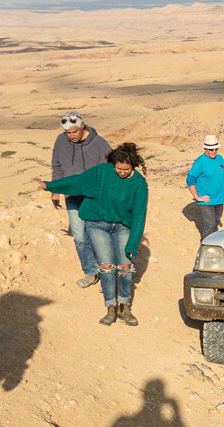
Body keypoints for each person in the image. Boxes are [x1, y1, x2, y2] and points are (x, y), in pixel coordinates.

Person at [34, 142, 148, 326]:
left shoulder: (139, 184)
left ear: (133, 166)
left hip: (122, 226)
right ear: (113, 164)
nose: (122, 173)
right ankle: (110, 308)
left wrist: (133, 243)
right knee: (106, 267)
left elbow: (139, 215)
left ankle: (124, 307)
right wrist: (49, 185)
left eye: (126, 170)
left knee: (125, 267)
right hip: (97, 225)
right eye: (119, 168)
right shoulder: (102, 173)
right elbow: (77, 182)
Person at [51, 111, 113, 289]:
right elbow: (57, 166)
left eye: (74, 132)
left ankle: (108, 273)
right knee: (79, 237)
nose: (71, 136)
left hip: (95, 197)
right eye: (68, 133)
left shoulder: (99, 144)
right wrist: (55, 189)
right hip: (72, 196)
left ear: (83, 126)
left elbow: (111, 169)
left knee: (99, 235)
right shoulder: (61, 141)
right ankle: (91, 272)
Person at [186, 135, 224, 239]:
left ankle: (213, 247)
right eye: (211, 149)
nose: (214, 151)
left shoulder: (220, 159)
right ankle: (205, 247)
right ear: (205, 149)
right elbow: (190, 179)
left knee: (215, 223)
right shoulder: (200, 162)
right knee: (209, 224)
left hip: (219, 199)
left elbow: (223, 177)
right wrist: (197, 197)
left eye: (216, 149)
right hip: (206, 200)